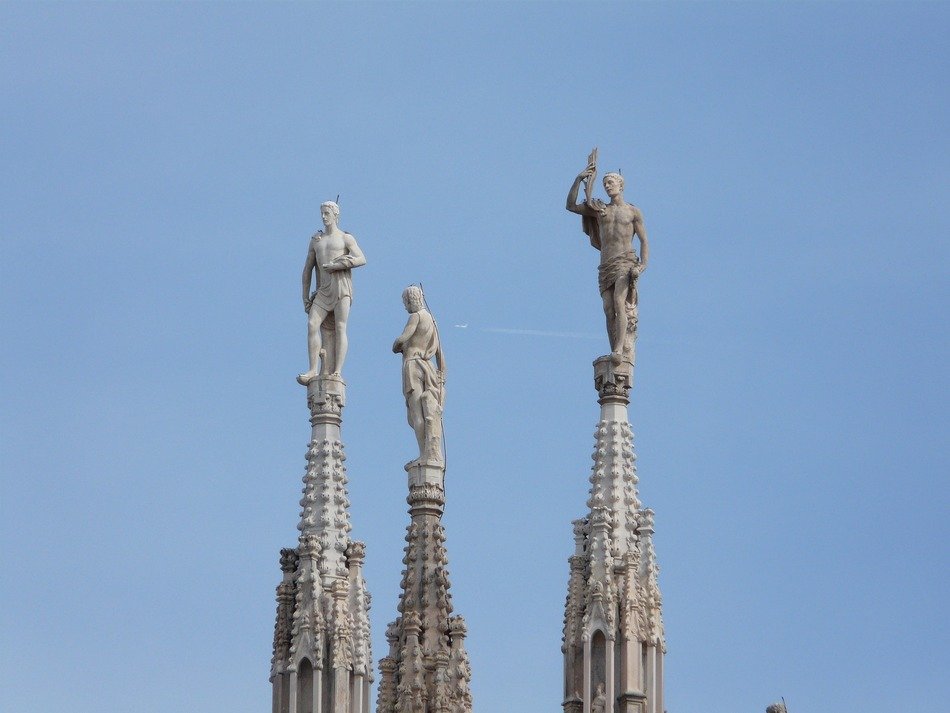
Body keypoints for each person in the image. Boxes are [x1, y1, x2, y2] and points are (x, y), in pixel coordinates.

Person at [566, 152, 649, 364]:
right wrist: (579, 179)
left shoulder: (632, 211)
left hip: (625, 261)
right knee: (608, 308)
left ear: (621, 185)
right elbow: (571, 205)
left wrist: (642, 265)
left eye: (611, 182)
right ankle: (614, 347)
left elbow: (644, 240)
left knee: (619, 303)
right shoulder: (599, 210)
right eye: (605, 183)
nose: (607, 186)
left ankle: (619, 351)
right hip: (606, 264)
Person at [297, 201, 366, 384]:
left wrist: (339, 264)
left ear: (336, 215)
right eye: (322, 213)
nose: (323, 216)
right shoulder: (316, 240)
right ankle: (313, 369)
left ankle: (337, 371)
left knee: (340, 326)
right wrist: (305, 296)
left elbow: (361, 258)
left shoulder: (345, 238)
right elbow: (307, 270)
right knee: (312, 324)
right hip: (323, 290)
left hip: (341, 287)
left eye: (327, 213)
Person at [392, 285, 445, 466]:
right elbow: (439, 352)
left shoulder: (415, 317)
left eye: (405, 303)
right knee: (426, 411)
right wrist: (441, 376)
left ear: (410, 300)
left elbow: (402, 338)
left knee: (416, 414)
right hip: (428, 367)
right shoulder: (431, 320)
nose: (405, 307)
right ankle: (429, 452)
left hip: (413, 366)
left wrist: (396, 345)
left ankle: (425, 454)